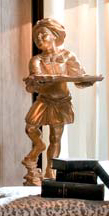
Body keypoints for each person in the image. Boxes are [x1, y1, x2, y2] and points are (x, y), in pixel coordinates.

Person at [22, 18, 95, 185]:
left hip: (62, 102)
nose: (39, 39)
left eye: (43, 35)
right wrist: (34, 83)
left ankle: (50, 171)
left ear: (55, 35)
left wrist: (88, 81)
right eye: (36, 37)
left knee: (56, 137)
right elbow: (36, 80)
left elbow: (78, 78)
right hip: (44, 100)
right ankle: (39, 146)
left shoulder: (67, 56)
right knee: (30, 127)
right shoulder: (36, 60)